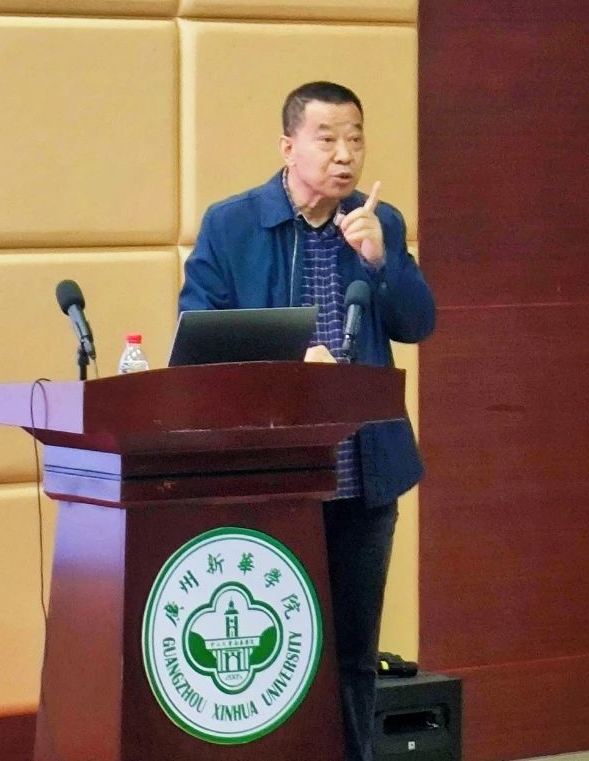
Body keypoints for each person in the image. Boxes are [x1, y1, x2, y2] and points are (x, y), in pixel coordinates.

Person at [179, 80, 436, 761]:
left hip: (363, 473)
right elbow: (198, 336)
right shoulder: (232, 226)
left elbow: (417, 323)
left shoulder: (380, 223)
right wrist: (293, 358)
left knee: (353, 653)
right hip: (274, 477)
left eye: (355, 139)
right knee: (272, 649)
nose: (344, 154)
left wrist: (382, 262)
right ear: (288, 147)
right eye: (327, 139)